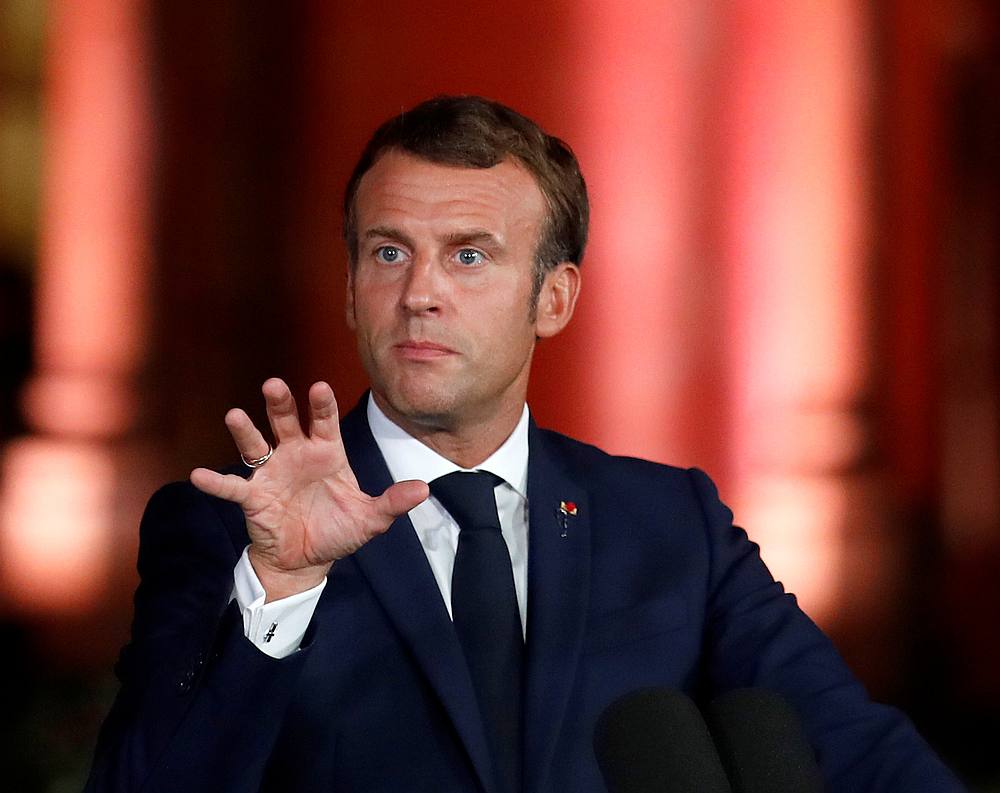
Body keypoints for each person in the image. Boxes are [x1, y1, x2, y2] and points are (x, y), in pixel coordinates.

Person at [85, 95, 963, 792]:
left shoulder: (670, 523)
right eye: (389, 252)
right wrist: (280, 590)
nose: (420, 292)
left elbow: (850, 746)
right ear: (352, 292)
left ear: (555, 298)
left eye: (469, 256)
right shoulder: (227, 527)